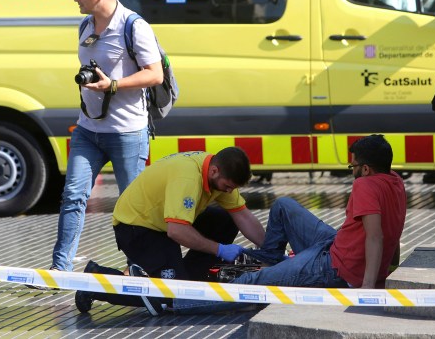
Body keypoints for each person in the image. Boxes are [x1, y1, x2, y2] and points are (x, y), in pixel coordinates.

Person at [170, 134, 406, 315]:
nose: (351, 171)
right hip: (334, 245)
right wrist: (389, 269)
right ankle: (269, 261)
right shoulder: (395, 181)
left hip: (334, 267)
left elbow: (376, 237)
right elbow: (393, 231)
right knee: (283, 206)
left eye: (352, 166)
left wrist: (366, 289)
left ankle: (176, 303)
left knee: (248, 284)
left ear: (366, 169)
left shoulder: (365, 185)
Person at [47, 0, 164, 274]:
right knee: (72, 195)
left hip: (126, 132)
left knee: (131, 205)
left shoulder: (133, 26)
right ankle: (60, 270)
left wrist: (112, 84)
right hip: (88, 129)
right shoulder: (85, 25)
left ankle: (137, 268)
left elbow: (155, 74)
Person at [74, 147, 266, 315]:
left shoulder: (216, 171)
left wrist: (269, 251)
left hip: (162, 223)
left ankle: (186, 278)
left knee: (226, 221)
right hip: (136, 228)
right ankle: (96, 281)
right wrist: (219, 249)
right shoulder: (188, 177)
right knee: (173, 296)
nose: (228, 192)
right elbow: (177, 231)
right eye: (227, 186)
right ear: (214, 171)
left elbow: (243, 216)